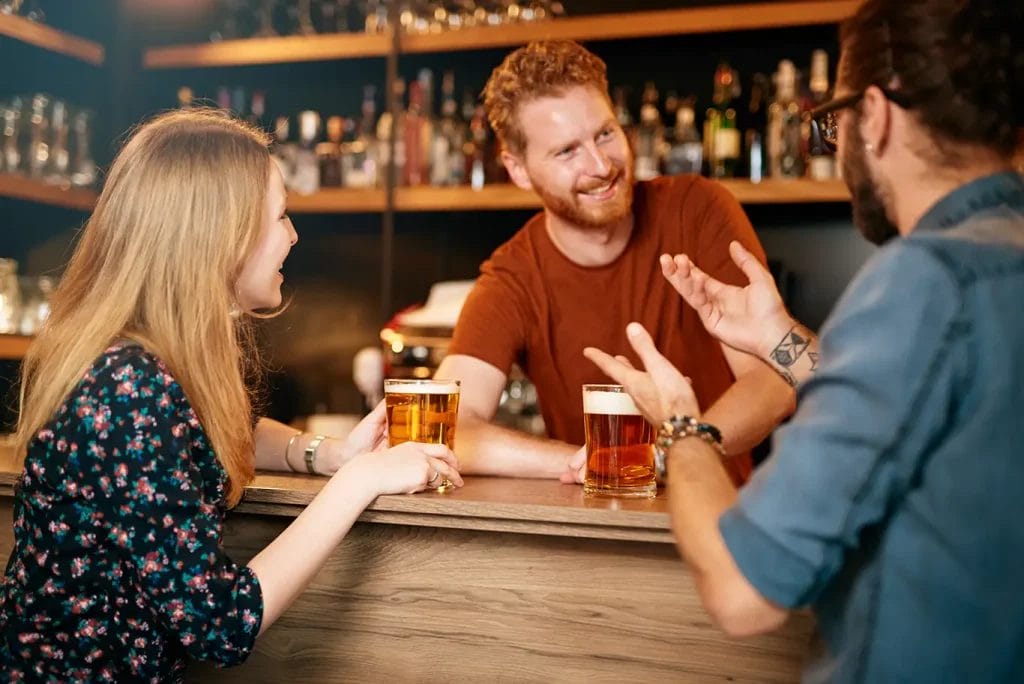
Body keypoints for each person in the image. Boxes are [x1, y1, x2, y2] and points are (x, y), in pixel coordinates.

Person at [584, 0, 1024, 681]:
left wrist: (679, 424)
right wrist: (779, 337)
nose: (834, 143)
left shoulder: (923, 280)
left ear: (873, 115)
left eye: (834, 121)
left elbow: (742, 592)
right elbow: (927, 418)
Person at [0, 109, 463, 681]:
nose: (293, 235)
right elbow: (222, 623)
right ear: (219, 234)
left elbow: (221, 430)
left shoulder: (143, 360)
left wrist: (328, 454)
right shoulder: (127, 387)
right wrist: (359, 482)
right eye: (281, 216)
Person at [435, 40, 794, 485]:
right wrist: (599, 460)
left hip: (721, 519)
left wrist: (677, 453)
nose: (601, 165)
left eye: (605, 134)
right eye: (567, 151)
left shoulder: (697, 209)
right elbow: (448, 428)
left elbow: (773, 380)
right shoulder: (513, 277)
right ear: (519, 168)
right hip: (593, 535)